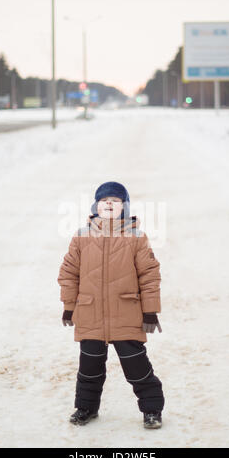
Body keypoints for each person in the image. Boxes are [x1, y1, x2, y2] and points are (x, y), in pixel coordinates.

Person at [57, 181, 165, 429]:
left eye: (115, 201)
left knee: (138, 369)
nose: (109, 204)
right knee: (89, 370)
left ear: (124, 208)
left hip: (126, 313)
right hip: (90, 313)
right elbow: (68, 272)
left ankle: (152, 411)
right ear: (96, 206)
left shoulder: (136, 237)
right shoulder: (81, 237)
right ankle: (85, 408)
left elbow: (149, 275)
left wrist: (150, 311)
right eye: (104, 200)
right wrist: (69, 305)